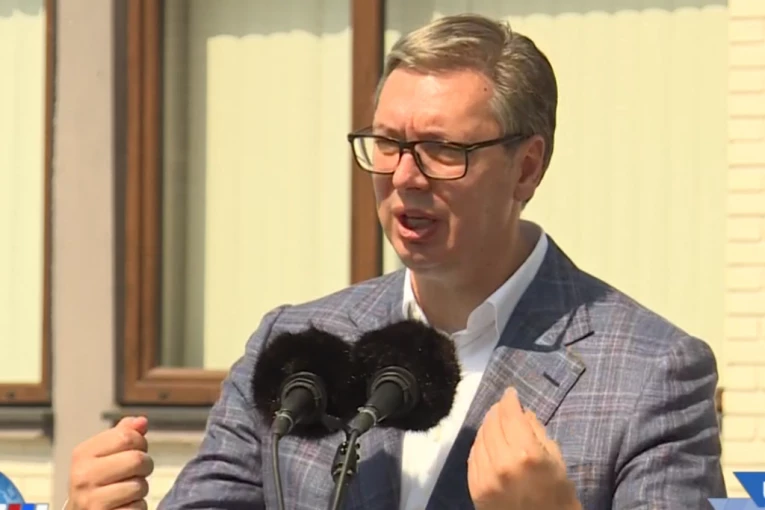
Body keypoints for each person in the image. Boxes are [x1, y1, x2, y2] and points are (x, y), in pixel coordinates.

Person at [65, 12, 726, 510]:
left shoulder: (651, 373)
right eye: (386, 143)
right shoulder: (295, 347)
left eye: (441, 149)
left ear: (526, 167)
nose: (404, 177)